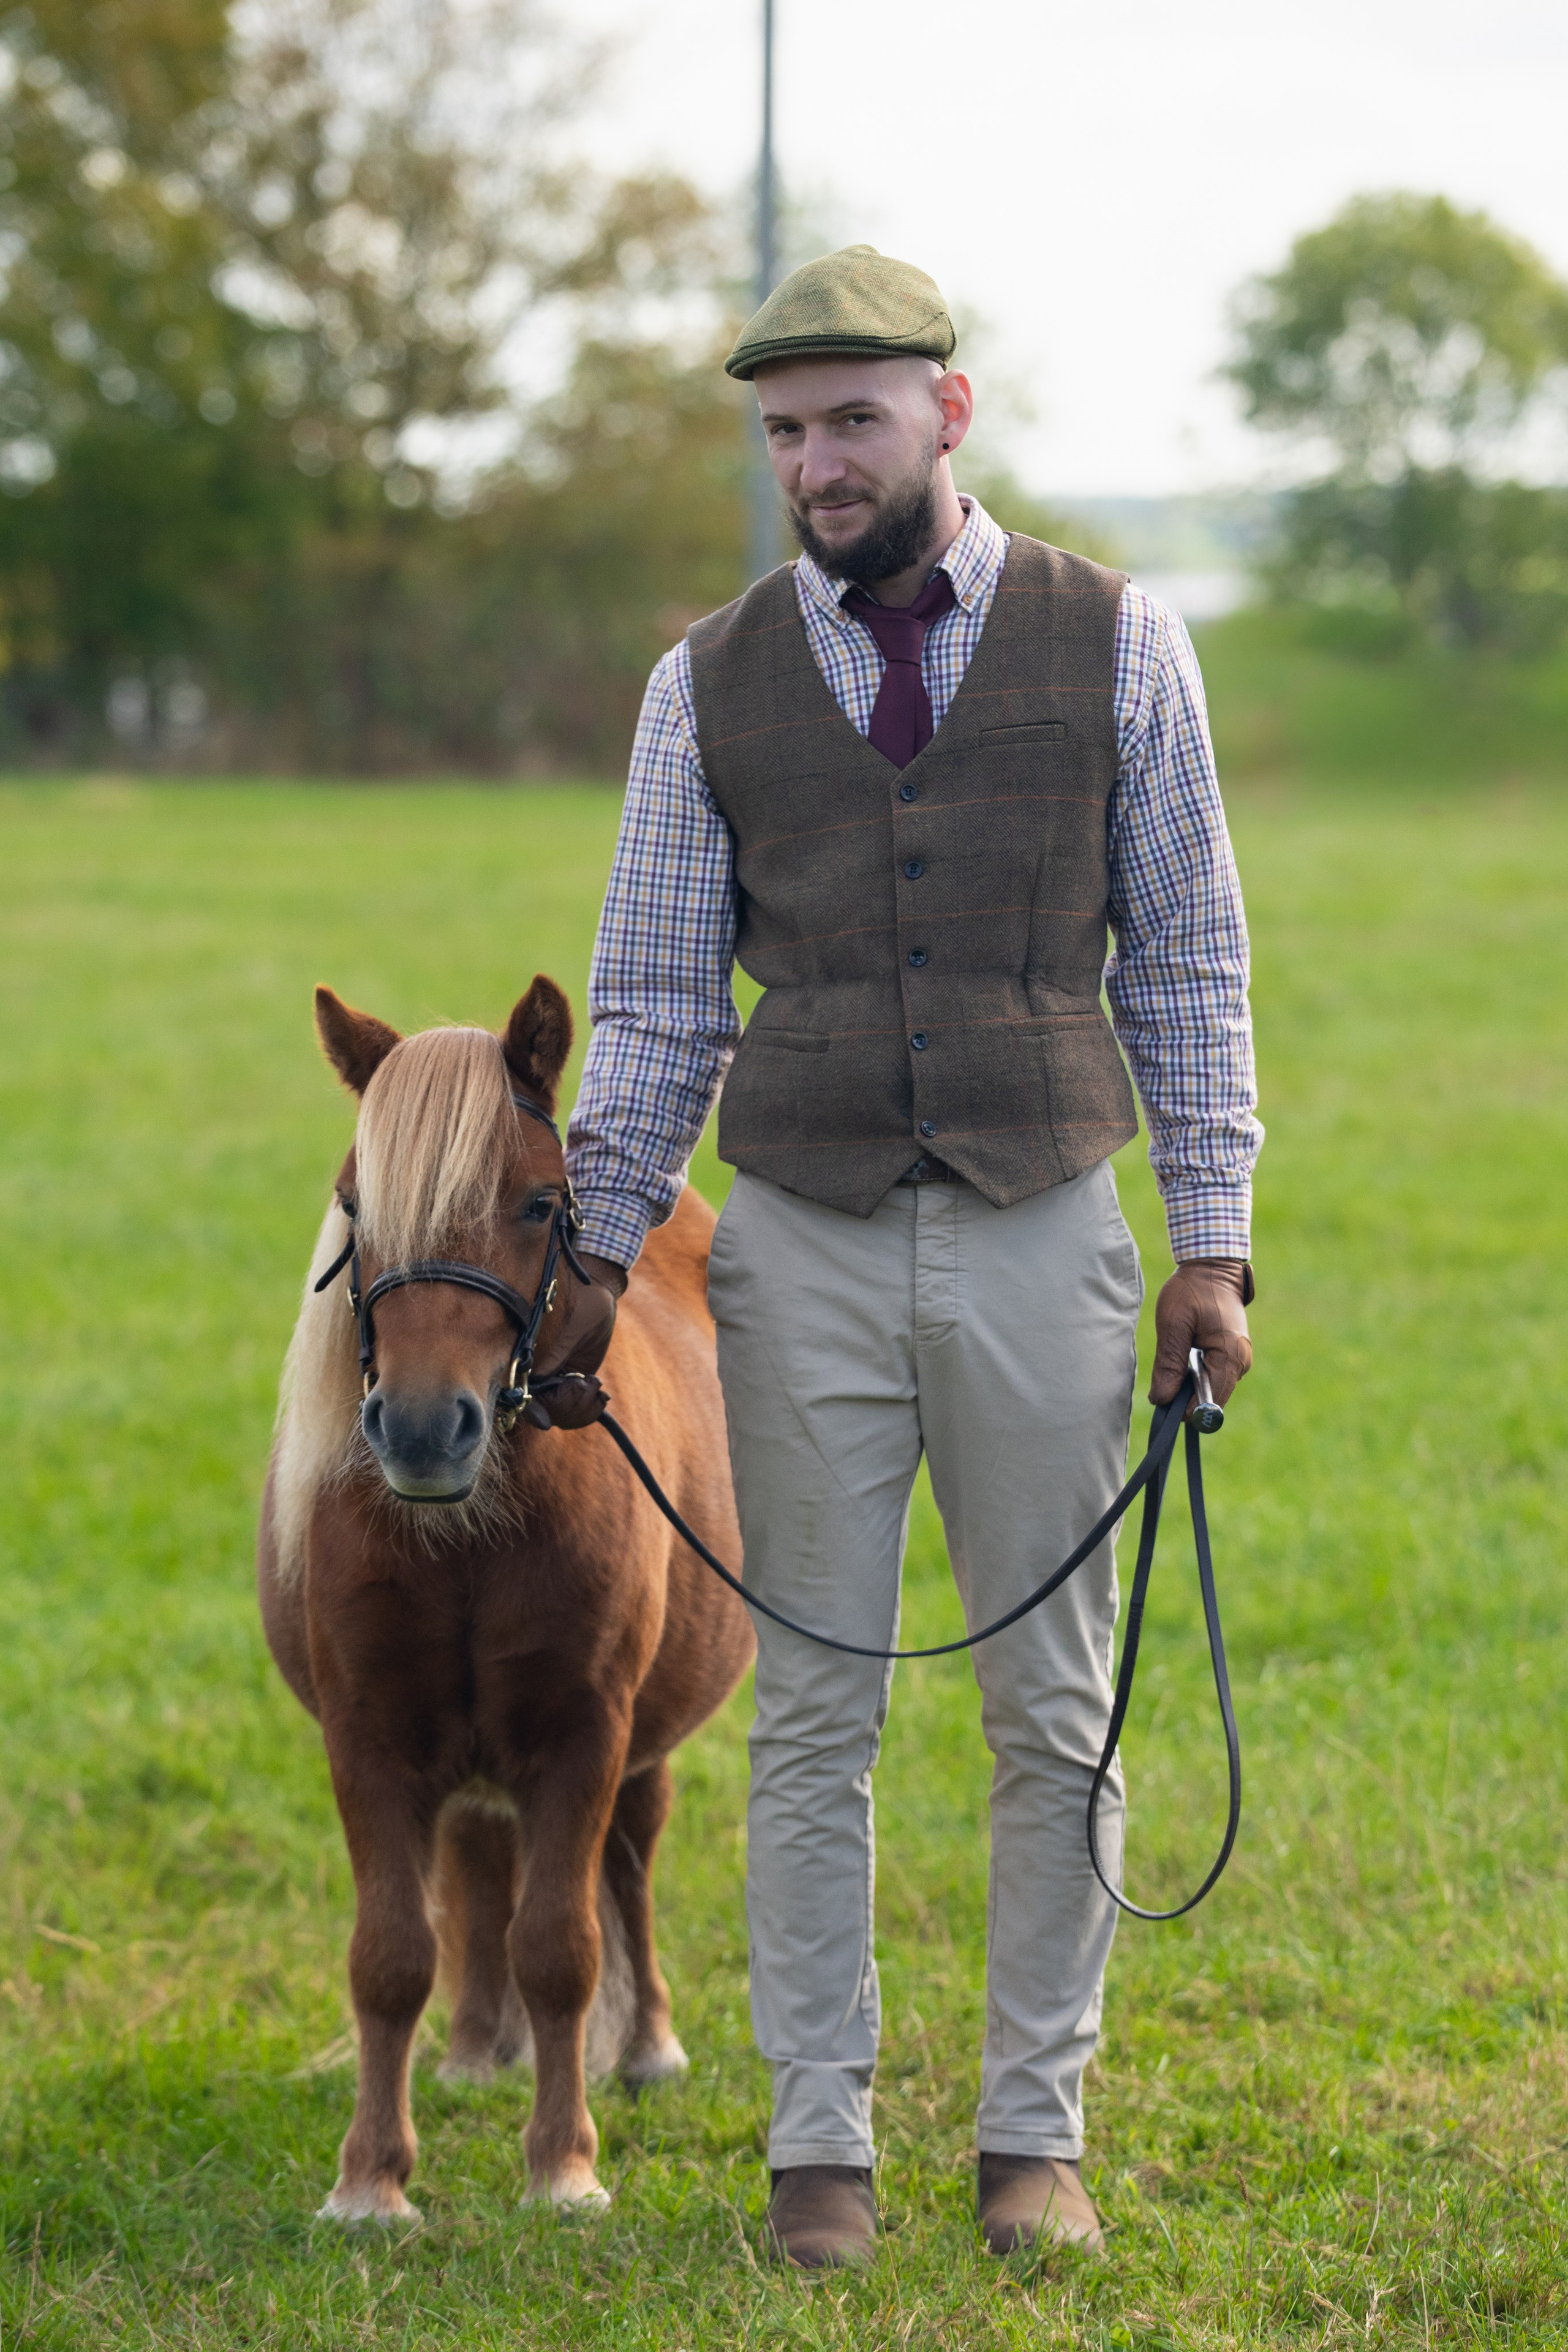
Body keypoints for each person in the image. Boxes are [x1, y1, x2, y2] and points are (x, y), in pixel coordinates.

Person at [557, 245, 1262, 2267]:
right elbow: (658, 995)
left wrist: (1210, 1237)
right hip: (803, 1239)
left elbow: (1194, 955)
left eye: (851, 418)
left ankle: (1034, 2132)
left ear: (949, 410)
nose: (816, 462)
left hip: (1052, 1222)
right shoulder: (701, 681)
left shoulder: (1122, 643)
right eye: (783, 431)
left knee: (1055, 1703)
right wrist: (603, 1250)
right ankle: (818, 2149)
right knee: (814, 1716)